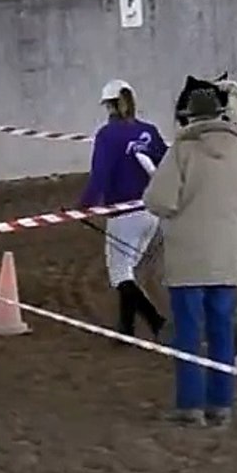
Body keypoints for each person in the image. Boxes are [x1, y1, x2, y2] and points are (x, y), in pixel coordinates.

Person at [143, 83, 237, 428]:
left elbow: (159, 201)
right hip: (229, 259)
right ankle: (221, 405)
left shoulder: (181, 152)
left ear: (190, 117)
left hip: (187, 260)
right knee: (222, 332)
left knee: (187, 332)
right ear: (221, 115)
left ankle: (190, 406)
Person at [79, 79, 169, 343]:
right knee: (128, 270)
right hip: (151, 212)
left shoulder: (107, 135)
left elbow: (101, 175)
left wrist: (85, 205)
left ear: (109, 106)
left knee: (120, 274)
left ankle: (154, 319)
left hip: (123, 214)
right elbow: (165, 164)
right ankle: (126, 329)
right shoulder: (149, 131)